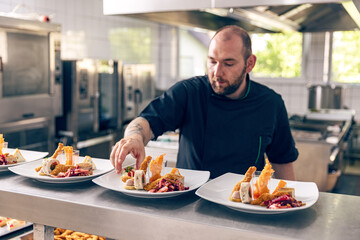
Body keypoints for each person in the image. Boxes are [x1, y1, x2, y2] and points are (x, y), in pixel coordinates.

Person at [110, 25, 298, 180]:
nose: (217, 72)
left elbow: (282, 161)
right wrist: (134, 138)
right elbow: (147, 121)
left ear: (249, 64)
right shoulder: (189, 92)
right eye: (212, 61)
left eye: (228, 63)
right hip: (191, 203)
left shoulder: (270, 103)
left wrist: (286, 203)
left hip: (246, 205)